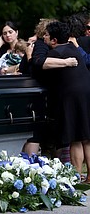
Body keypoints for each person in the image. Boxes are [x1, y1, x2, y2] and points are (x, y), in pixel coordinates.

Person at [21, 18, 78, 161]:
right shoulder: (41, 46)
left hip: (46, 93)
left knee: (44, 133)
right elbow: (38, 66)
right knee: (39, 133)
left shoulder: (46, 47)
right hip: (42, 94)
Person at [45, 21, 90, 182]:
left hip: (72, 95)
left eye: (46, 35)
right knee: (87, 137)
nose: (44, 37)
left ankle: (76, 177)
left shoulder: (56, 52)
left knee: (76, 137)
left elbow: (42, 66)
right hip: (87, 91)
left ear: (54, 40)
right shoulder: (73, 48)